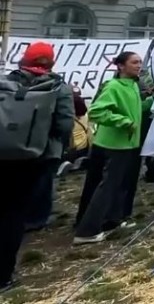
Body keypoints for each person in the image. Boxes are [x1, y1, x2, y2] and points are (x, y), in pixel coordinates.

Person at [1, 42, 74, 292]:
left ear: (24, 59)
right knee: (13, 215)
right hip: (35, 158)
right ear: (51, 62)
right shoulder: (58, 87)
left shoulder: (6, 81)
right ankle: (3, 276)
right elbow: (65, 126)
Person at [73, 52, 145, 245]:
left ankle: (111, 221)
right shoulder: (114, 86)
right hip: (115, 145)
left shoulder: (133, 85)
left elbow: (131, 109)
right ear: (121, 66)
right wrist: (123, 122)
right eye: (134, 62)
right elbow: (96, 111)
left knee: (117, 186)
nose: (139, 65)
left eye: (140, 62)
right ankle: (87, 231)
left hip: (125, 144)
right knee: (107, 187)